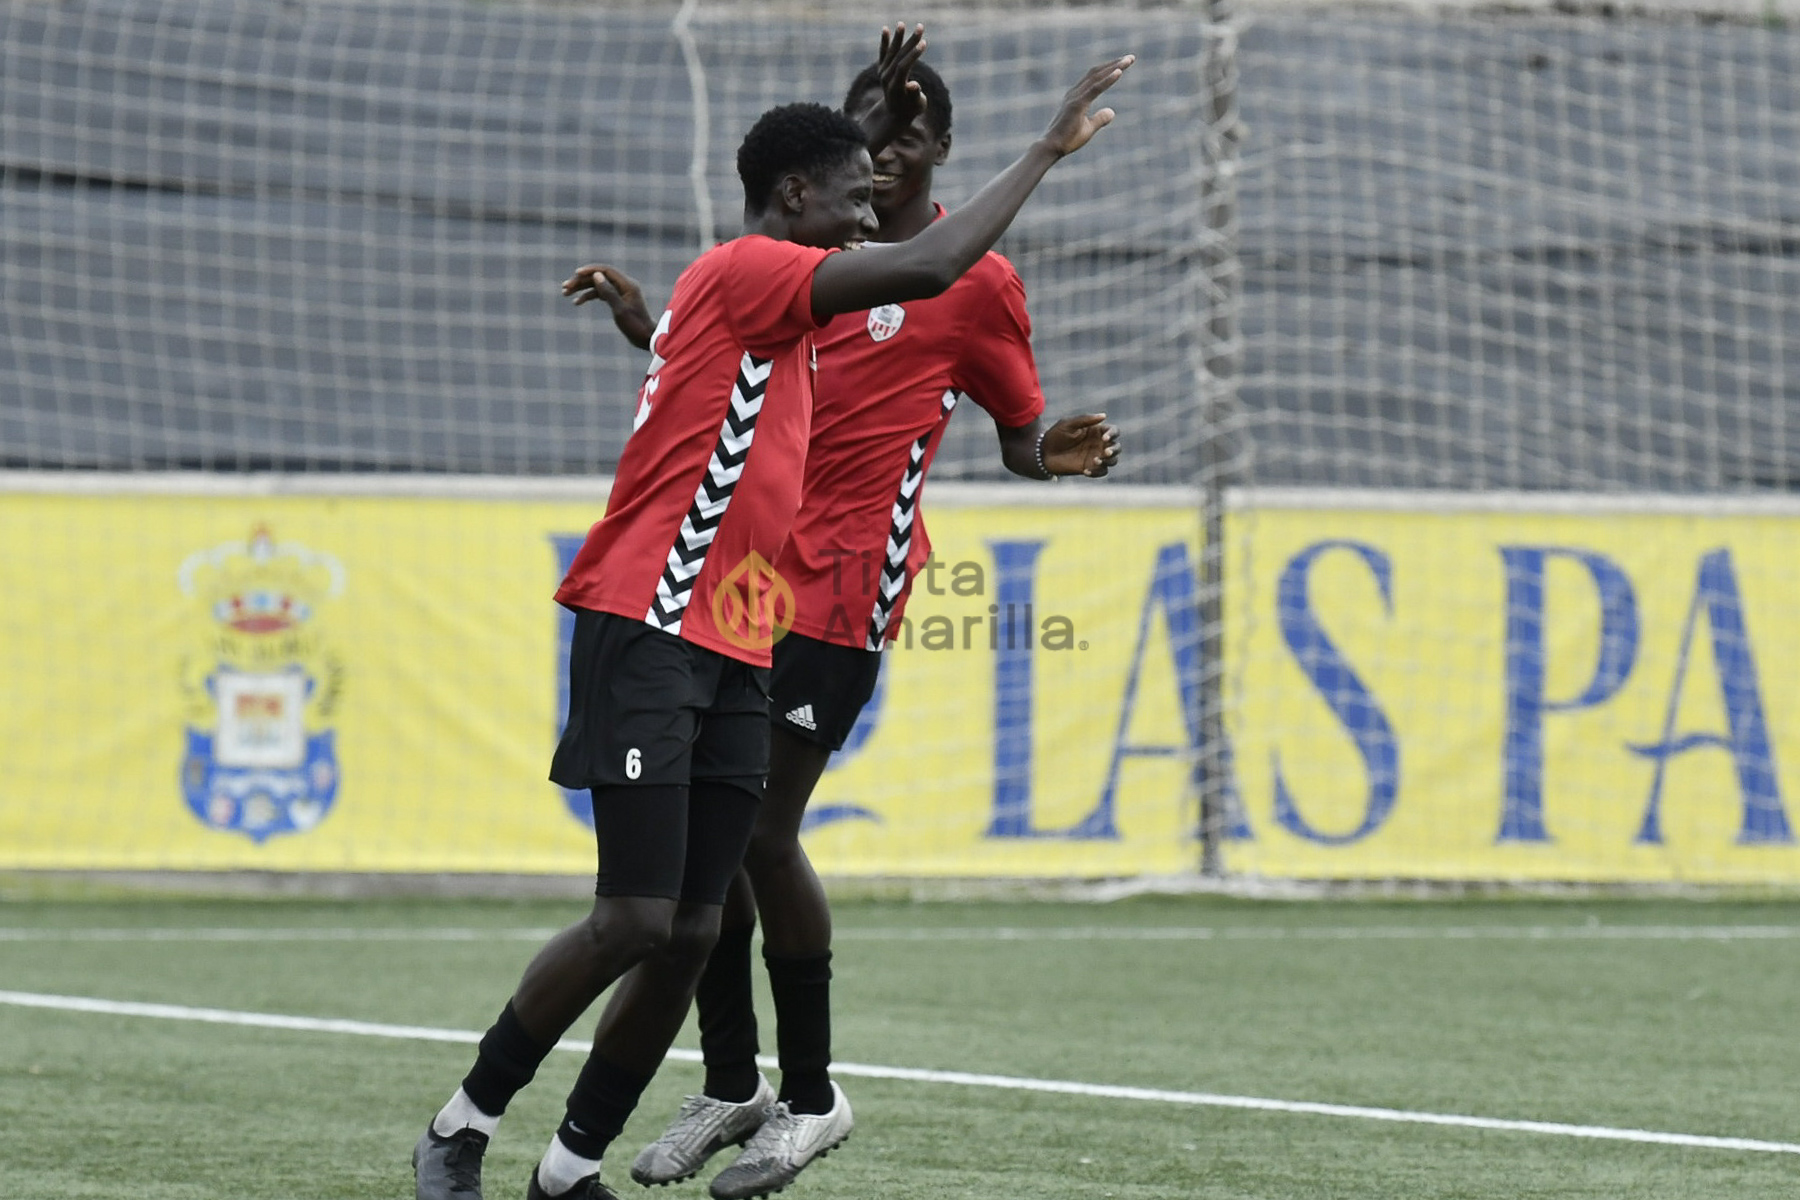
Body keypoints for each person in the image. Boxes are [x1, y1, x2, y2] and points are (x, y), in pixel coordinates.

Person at [411, 25, 1134, 1200]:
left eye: (892, 157)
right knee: (640, 919)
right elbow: (892, 273)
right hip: (661, 615)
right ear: (802, 193)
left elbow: (774, 348)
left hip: (760, 624)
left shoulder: (807, 303)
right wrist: (1047, 148)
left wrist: (1040, 452)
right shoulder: (769, 276)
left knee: (699, 919)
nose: (870, 197)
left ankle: (585, 1163)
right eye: (852, 182)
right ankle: (469, 1126)